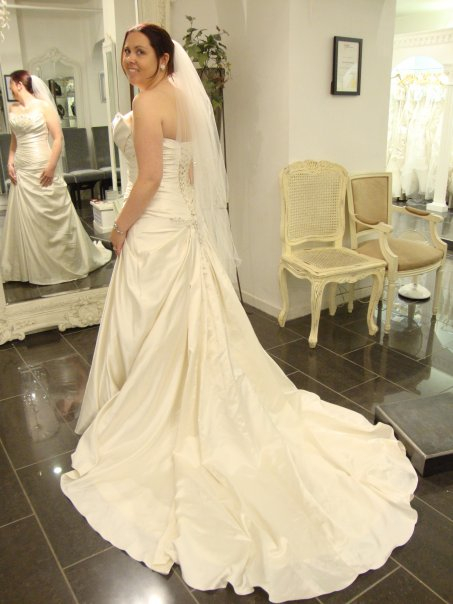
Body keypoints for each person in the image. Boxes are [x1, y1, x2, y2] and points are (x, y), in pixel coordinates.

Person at [61, 23, 418, 603]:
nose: (129, 59)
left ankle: (149, 411)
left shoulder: (149, 103)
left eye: (139, 51)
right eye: (126, 51)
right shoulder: (183, 99)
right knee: (194, 331)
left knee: (156, 329)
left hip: (157, 229)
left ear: (162, 58)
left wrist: (120, 228)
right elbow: (190, 174)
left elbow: (149, 178)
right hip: (185, 229)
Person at [0, 70, 111, 285]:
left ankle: (61, 261)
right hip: (22, 170)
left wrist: (51, 166)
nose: (10, 89)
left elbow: (58, 138)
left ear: (19, 84)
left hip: (42, 164)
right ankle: (35, 266)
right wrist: (10, 161)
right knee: (29, 218)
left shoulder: (44, 107)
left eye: (11, 84)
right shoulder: (13, 108)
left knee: (50, 212)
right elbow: (15, 140)